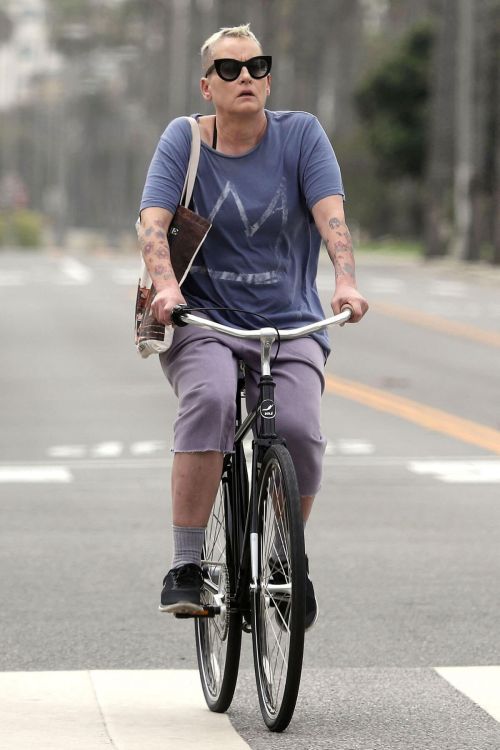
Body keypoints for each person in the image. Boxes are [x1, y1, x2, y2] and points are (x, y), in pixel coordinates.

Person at [138, 24, 368, 630]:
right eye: (232, 69)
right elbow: (152, 222)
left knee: (300, 430)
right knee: (211, 398)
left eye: (258, 67)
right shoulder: (182, 140)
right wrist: (166, 287)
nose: (247, 78)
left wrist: (345, 278)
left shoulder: (302, 136)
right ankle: (187, 566)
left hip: (290, 324)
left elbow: (333, 218)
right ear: (207, 85)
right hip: (203, 319)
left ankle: (288, 559)